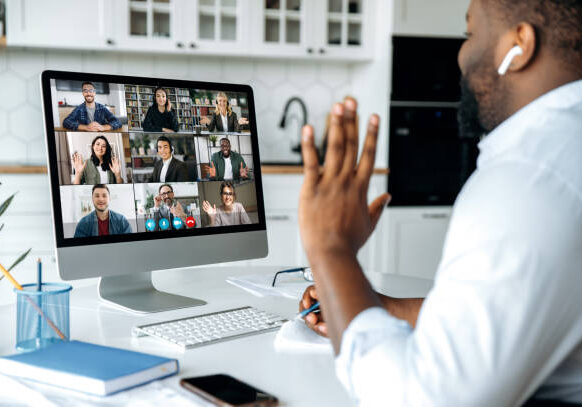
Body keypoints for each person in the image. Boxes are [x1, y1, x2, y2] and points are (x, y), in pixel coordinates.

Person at [297, 0, 582, 405]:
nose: (461, 55)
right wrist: (375, 305)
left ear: (519, 44)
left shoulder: (529, 179)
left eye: (470, 34)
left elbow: (423, 398)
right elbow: (498, 312)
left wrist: (331, 248)